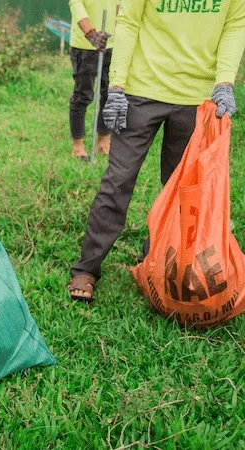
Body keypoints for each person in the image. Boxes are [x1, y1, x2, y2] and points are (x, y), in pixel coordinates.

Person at [67, 0, 245, 303]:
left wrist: (225, 82)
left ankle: (162, 256)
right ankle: (86, 268)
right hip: (141, 92)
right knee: (118, 180)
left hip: (197, 98)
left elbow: (235, 25)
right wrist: (117, 87)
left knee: (185, 191)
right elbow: (129, 23)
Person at [68, 0, 119, 160]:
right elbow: (75, 4)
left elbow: (120, 8)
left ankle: (103, 141)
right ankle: (78, 146)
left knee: (109, 94)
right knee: (82, 95)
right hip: (85, 46)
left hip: (111, 44)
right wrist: (91, 34)